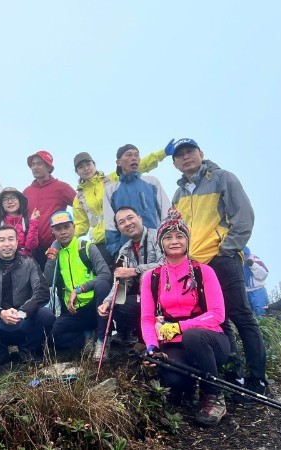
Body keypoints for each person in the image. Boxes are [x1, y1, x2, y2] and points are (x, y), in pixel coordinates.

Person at [170, 138, 268, 400]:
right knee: (218, 320)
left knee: (241, 316)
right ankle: (234, 376)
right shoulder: (179, 194)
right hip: (196, 266)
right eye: (180, 155)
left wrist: (226, 249)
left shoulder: (223, 178)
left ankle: (257, 379)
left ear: (201, 153)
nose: (186, 157)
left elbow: (244, 216)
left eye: (190, 151)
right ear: (175, 163)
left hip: (222, 259)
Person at [141, 209, 229, 427]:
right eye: (168, 237)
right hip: (173, 344)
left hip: (210, 340)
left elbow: (218, 314)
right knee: (175, 381)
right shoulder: (151, 277)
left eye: (180, 236)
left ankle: (214, 395)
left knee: (193, 336)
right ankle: (190, 387)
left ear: (187, 241)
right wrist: (152, 346)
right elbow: (147, 318)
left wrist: (180, 327)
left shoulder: (204, 271)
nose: (174, 241)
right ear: (160, 243)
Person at [0, 225, 54, 367]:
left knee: (46, 314)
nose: (7, 244)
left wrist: (23, 312)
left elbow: (42, 291)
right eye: (2, 240)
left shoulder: (30, 263)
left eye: (11, 239)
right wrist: (0, 313)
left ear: (17, 242)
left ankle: (28, 350)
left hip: (24, 320)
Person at [72, 148, 168, 264]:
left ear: (94, 165)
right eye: (81, 167)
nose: (86, 169)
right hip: (101, 241)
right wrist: (64, 237)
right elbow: (81, 225)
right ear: (77, 172)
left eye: (88, 164)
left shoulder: (112, 179)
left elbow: (138, 165)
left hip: (123, 235)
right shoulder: (79, 198)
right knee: (110, 274)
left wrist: (162, 153)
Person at [96, 206, 164, 353]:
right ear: (119, 229)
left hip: (164, 293)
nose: (127, 223)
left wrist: (134, 271)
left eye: (130, 218)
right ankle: (132, 337)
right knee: (118, 305)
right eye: (121, 222)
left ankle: (147, 339)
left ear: (140, 218)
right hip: (143, 296)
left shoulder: (158, 237)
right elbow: (120, 282)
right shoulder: (124, 250)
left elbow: (166, 264)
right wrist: (107, 302)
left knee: (130, 303)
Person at [42, 212, 112, 355]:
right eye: (58, 229)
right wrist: (52, 255)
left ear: (74, 227)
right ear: (52, 231)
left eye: (66, 227)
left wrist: (79, 289)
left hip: (95, 306)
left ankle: (102, 341)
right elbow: (47, 281)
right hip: (74, 310)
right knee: (53, 338)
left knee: (102, 285)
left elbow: (106, 274)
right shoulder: (56, 252)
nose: (63, 232)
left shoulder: (86, 247)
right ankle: (86, 338)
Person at [103, 144, 171, 259]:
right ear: (119, 162)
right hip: (128, 250)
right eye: (129, 155)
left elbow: (166, 213)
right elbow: (110, 224)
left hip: (156, 247)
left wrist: (168, 241)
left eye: (136, 155)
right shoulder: (110, 190)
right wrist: (117, 252)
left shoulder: (152, 182)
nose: (134, 158)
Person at [23, 150, 77, 269]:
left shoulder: (62, 187)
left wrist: (74, 230)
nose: (34, 167)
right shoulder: (26, 192)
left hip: (57, 244)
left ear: (48, 167)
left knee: (59, 278)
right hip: (33, 249)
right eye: (32, 164)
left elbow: (81, 207)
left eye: (39, 164)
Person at [0, 188, 40, 258]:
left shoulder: (27, 222)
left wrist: (33, 222)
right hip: (4, 262)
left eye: (13, 198)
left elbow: (31, 246)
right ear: (1, 204)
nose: (10, 202)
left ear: (19, 200)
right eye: (5, 199)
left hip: (25, 262)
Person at [243, 247, 269, 316]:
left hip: (258, 289)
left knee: (262, 313)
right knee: (246, 316)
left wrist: (252, 264)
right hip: (243, 292)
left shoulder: (254, 258)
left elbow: (264, 275)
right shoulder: (235, 261)